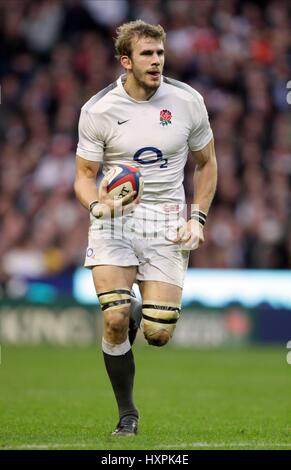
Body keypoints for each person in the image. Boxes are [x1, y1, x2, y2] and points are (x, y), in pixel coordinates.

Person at [74, 20, 217, 436]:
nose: (156, 62)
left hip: (167, 218)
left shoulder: (188, 101)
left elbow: (207, 164)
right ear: (126, 61)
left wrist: (197, 217)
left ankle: (142, 311)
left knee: (157, 334)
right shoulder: (98, 110)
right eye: (146, 55)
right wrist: (97, 205)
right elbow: (83, 175)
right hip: (115, 219)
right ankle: (127, 415)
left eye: (160, 53)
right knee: (114, 318)